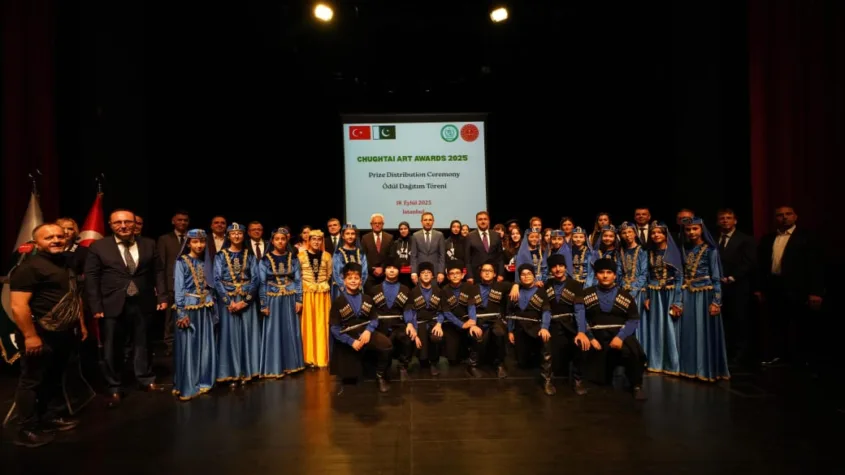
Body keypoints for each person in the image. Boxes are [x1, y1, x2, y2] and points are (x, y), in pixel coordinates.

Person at [9, 223, 87, 447]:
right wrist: (30, 336)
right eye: (49, 237)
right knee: (31, 381)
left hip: (63, 332)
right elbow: (18, 306)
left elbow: (74, 295)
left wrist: (81, 324)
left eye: (60, 236)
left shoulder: (67, 262)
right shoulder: (28, 268)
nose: (56, 240)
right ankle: (27, 428)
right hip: (39, 333)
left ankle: (49, 416)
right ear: (36, 243)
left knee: (54, 376)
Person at [85, 209, 168, 408]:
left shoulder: (149, 243)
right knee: (112, 346)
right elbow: (92, 277)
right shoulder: (99, 246)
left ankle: (146, 379)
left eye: (127, 222)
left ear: (135, 223)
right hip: (111, 303)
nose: (123, 226)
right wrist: (95, 305)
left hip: (143, 301)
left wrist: (163, 296)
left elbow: (158, 271)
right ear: (111, 225)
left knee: (144, 343)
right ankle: (114, 386)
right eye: (118, 223)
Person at [581, 258, 647, 400]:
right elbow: (581, 318)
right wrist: (590, 338)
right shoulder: (586, 294)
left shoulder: (625, 295)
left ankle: (636, 385)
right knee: (598, 379)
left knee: (633, 351)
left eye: (609, 272)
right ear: (596, 275)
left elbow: (633, 319)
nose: (605, 276)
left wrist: (620, 337)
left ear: (615, 275)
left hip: (619, 335)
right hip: (597, 336)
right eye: (601, 272)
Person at [329, 263, 393, 393]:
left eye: (356, 278)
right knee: (350, 379)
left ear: (361, 281)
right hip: (348, 336)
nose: (353, 281)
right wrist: (351, 341)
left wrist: (368, 331)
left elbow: (374, 318)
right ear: (344, 281)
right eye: (350, 278)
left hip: (365, 332)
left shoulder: (367, 298)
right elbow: (334, 328)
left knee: (386, 345)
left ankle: (380, 375)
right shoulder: (338, 302)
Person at [214, 222, 261, 387]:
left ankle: (249, 370)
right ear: (228, 236)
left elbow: (255, 279)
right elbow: (217, 279)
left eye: (239, 233)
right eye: (233, 233)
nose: (236, 236)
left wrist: (245, 301)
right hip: (229, 300)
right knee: (230, 336)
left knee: (248, 334)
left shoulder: (250, 255)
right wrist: (228, 302)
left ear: (243, 235)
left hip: (246, 299)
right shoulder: (220, 256)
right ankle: (231, 372)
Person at [172, 229, 217, 400]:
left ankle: (204, 381)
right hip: (189, 308)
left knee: (205, 346)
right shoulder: (182, 262)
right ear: (189, 243)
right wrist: (181, 313)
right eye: (195, 242)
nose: (199, 245)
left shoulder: (205, 261)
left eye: (202, 241)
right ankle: (187, 385)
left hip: (204, 307)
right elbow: (179, 288)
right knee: (189, 347)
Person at [258, 227, 305, 377]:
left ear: (287, 241)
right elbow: (262, 282)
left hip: (290, 297)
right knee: (274, 331)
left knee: (290, 330)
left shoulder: (293, 258)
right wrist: (263, 304)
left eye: (283, 239)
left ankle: (292, 364)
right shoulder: (265, 260)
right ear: (272, 241)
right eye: (277, 239)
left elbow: (298, 280)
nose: (280, 241)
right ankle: (275, 366)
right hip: (273, 298)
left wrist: (299, 299)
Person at [543, 253, 589, 395]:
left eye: (561, 266)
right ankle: (547, 380)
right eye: (554, 267)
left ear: (565, 267)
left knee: (580, 343)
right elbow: (546, 309)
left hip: (571, 323)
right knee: (546, 345)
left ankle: (577, 380)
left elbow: (579, 309)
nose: (558, 269)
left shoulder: (575, 285)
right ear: (550, 269)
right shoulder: (546, 285)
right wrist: (544, 327)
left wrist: (581, 331)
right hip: (553, 324)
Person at [507, 264, 556, 395]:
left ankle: (547, 380)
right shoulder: (515, 292)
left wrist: (544, 328)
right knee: (522, 363)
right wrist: (510, 331)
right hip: (519, 328)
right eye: (523, 274)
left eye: (529, 274)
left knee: (546, 341)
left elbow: (546, 311)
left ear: (534, 276)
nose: (526, 276)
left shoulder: (541, 291)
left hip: (535, 327)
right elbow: (510, 313)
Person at [369, 255, 414, 380]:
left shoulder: (405, 289)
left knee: (407, 336)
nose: (392, 270)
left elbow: (407, 308)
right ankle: (381, 369)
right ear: (384, 270)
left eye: (395, 268)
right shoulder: (374, 289)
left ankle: (403, 366)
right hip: (380, 325)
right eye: (389, 268)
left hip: (398, 324)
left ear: (399, 271)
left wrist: (410, 323)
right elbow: (371, 311)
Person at [439, 259, 484, 377]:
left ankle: (472, 363)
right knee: (453, 360)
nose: (455, 276)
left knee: (475, 333)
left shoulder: (469, 287)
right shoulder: (444, 290)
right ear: (448, 276)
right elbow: (446, 312)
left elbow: (471, 306)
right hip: (451, 324)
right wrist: (461, 324)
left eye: (457, 273)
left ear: (463, 275)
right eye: (452, 273)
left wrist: (472, 323)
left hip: (467, 321)